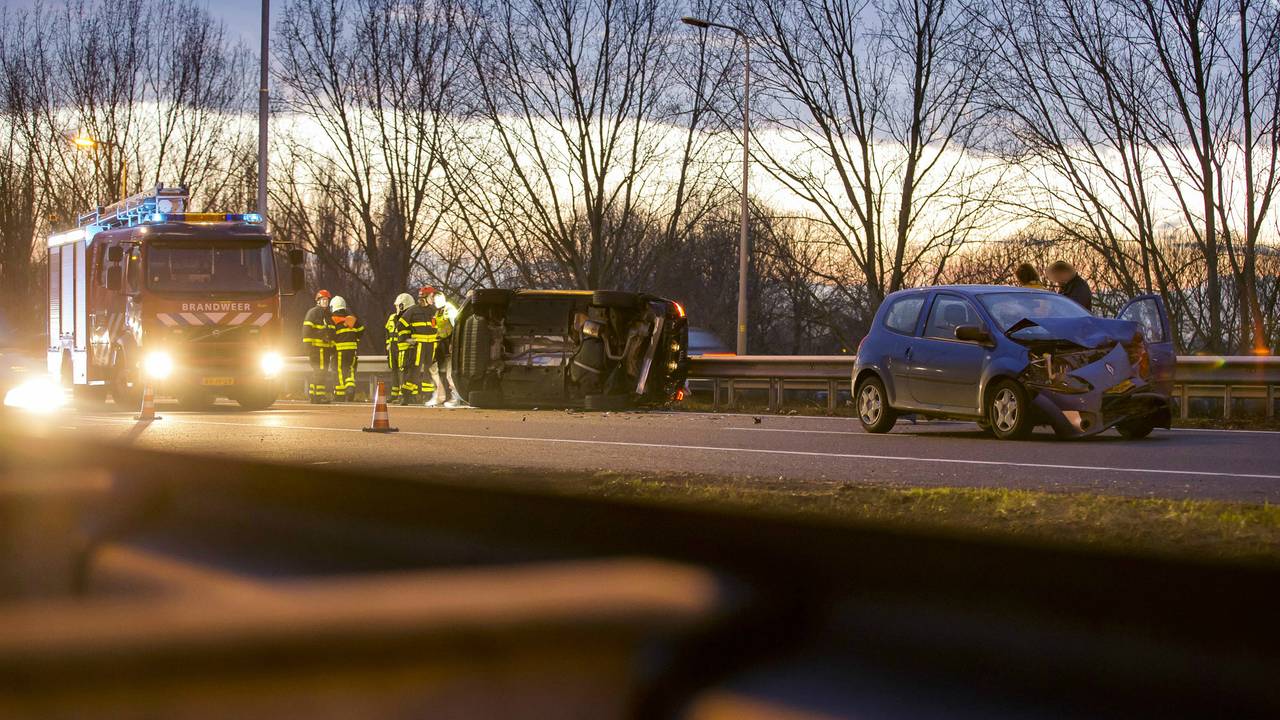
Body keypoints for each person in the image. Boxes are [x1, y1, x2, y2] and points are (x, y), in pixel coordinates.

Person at [397, 286, 438, 406]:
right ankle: (406, 395)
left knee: (430, 371)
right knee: (413, 371)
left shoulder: (434, 311)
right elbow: (401, 326)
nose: (433, 299)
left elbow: (438, 327)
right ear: (425, 297)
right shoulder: (413, 311)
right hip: (418, 346)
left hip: (432, 346)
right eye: (432, 296)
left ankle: (428, 396)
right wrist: (407, 339)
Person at [429, 290, 463, 407]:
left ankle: (456, 397)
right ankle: (440, 395)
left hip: (450, 343)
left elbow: (457, 327)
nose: (435, 302)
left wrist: (453, 343)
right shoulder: (438, 312)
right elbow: (438, 329)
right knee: (433, 368)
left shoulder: (450, 310)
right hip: (441, 343)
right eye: (434, 300)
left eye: (437, 299)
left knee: (449, 373)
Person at [301, 289, 335, 404]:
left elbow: (332, 333)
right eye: (323, 300)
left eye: (327, 300)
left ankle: (317, 395)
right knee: (319, 371)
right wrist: (308, 347)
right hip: (316, 348)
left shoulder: (329, 315)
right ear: (318, 301)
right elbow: (306, 331)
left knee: (322, 372)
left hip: (325, 349)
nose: (325, 302)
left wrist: (332, 347)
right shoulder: (313, 313)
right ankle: (316, 396)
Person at [329, 296, 364, 402]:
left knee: (339, 371)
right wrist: (356, 339)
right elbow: (361, 330)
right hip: (352, 350)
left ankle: (340, 394)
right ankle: (350, 387)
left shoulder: (333, 320)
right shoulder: (351, 319)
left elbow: (330, 334)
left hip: (339, 350)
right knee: (350, 370)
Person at [386, 294, 414, 402]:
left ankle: (405, 395)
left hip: (404, 348)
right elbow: (387, 332)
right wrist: (388, 344)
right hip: (393, 348)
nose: (396, 308)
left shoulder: (410, 317)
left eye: (398, 306)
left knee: (404, 371)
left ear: (402, 306)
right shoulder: (392, 317)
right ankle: (395, 393)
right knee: (394, 370)